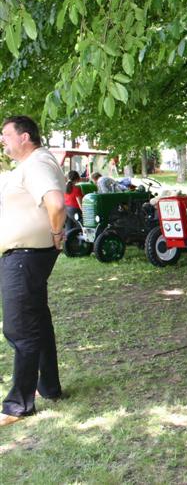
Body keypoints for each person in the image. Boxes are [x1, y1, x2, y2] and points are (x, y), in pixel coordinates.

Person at [0, 116, 66, 427]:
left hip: (25, 256)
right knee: (37, 321)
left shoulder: (37, 162)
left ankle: (18, 405)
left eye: (6, 135)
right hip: (24, 256)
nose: (3, 141)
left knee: (19, 328)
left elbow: (56, 204)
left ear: (25, 137)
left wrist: (56, 234)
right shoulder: (28, 165)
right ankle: (49, 388)